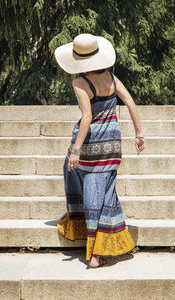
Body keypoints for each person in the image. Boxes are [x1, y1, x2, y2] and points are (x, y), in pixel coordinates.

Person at [54, 33, 145, 268]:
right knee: (104, 192)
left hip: (90, 146)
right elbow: (131, 102)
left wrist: (75, 151)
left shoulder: (80, 82)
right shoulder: (112, 78)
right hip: (113, 145)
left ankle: (90, 244)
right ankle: (100, 246)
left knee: (80, 181)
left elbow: (87, 118)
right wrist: (139, 134)